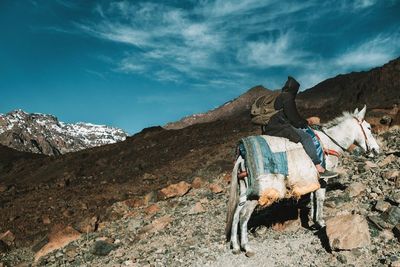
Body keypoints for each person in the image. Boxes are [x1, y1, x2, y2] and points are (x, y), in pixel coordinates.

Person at [262, 76, 337, 179]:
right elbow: (293, 117)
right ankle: (319, 167)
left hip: (272, 126)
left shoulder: (280, 97)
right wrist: (305, 123)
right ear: (294, 89)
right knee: (306, 137)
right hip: (279, 127)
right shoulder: (288, 97)